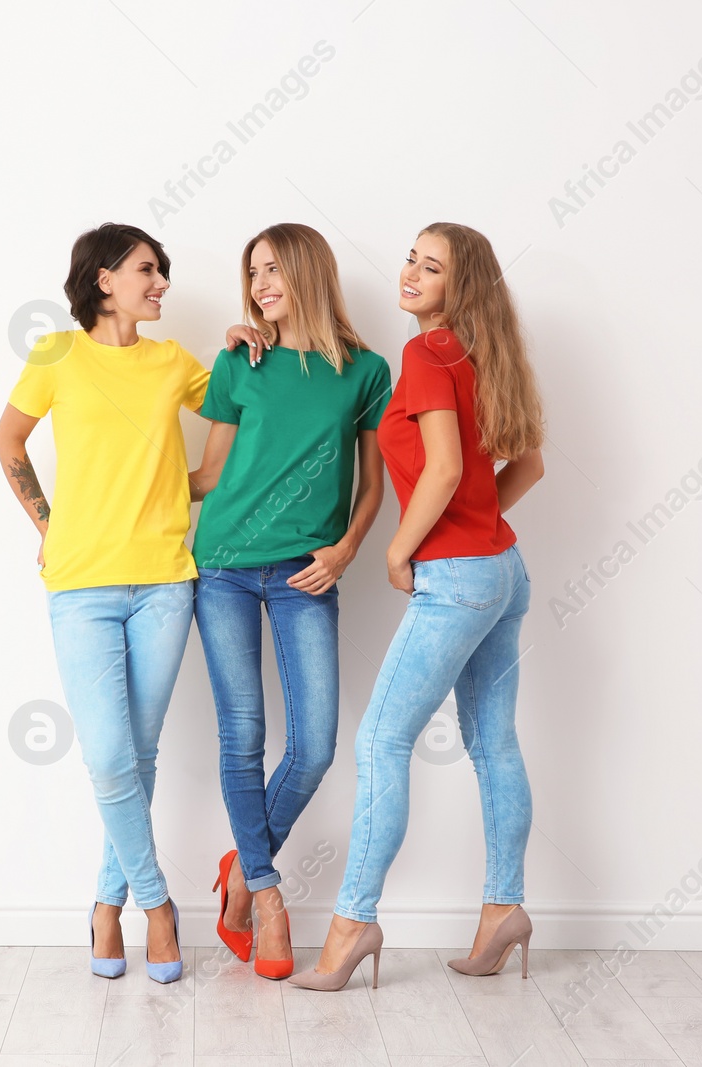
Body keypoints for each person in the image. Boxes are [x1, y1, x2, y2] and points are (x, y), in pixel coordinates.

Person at [0, 223, 263, 983]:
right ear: (104, 277)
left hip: (166, 582)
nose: (162, 284)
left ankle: (104, 907)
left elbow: (242, 409)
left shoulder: (173, 362)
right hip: (80, 584)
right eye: (149, 270)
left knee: (136, 756)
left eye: (164, 272)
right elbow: (10, 441)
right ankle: (154, 905)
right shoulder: (55, 354)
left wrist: (244, 347)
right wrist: (49, 524)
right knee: (111, 755)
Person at [291, 222, 547, 991]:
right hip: (503, 569)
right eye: (411, 257)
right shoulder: (484, 355)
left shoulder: (426, 353)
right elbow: (527, 464)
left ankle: (351, 927)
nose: (410, 273)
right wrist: (474, 528)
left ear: (458, 287)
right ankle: (504, 908)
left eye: (430, 267)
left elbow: (439, 471)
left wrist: (403, 549)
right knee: (494, 744)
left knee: (379, 744)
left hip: (457, 579)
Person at [187, 223, 390, 978]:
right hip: (226, 566)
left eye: (273, 268)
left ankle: (240, 866)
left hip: (309, 571)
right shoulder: (240, 359)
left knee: (316, 744)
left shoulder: (366, 371)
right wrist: (119, 499)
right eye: (253, 272)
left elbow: (373, 485)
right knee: (243, 733)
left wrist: (345, 550)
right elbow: (208, 474)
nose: (261, 282)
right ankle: (266, 895)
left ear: (307, 271)